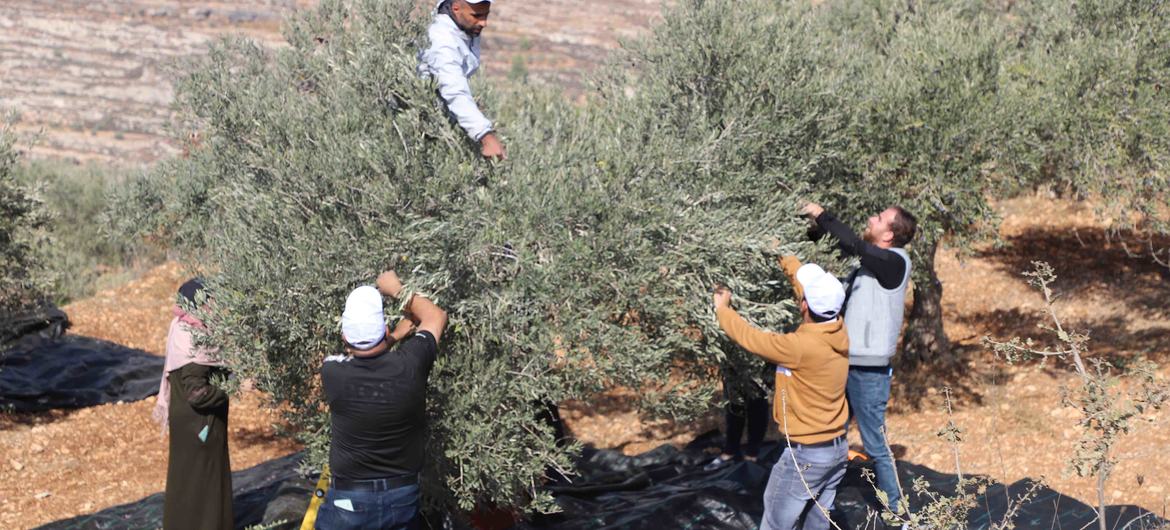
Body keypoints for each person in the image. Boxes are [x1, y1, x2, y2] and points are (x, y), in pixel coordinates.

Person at [714, 256, 850, 530]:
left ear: (803, 306)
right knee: (817, 524)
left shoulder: (798, 347)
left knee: (775, 525)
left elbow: (750, 337)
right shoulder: (839, 327)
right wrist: (783, 256)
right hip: (837, 450)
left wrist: (722, 309)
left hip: (805, 458)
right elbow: (808, 292)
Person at [802, 202, 917, 515]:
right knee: (831, 434)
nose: (871, 218)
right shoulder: (867, 265)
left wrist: (822, 214)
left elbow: (852, 243)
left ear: (889, 235)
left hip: (869, 373)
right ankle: (820, 498)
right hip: (845, 364)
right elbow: (843, 248)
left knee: (875, 445)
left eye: (879, 218)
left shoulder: (894, 263)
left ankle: (897, 512)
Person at [316, 270, 448, 530]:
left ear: (345, 337)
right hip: (401, 498)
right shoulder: (411, 364)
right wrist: (397, 289)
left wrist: (394, 338)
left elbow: (361, 353)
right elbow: (436, 316)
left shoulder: (332, 373)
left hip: (350, 501)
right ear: (384, 329)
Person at [154, 278, 232, 530]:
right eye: (211, 301)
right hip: (201, 427)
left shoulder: (180, 327)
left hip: (187, 424)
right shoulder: (196, 338)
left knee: (187, 486)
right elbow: (197, 393)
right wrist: (231, 387)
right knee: (205, 487)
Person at [417, 0, 506, 161]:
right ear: (455, 8)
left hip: (439, 120)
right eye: (477, 15)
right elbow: (454, 90)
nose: (484, 22)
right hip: (418, 126)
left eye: (486, 15)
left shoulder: (464, 26)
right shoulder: (441, 42)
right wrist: (485, 135)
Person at [704, 365, 770, 470]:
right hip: (733, 364)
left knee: (758, 407)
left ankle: (752, 455)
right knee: (733, 406)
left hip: (756, 364)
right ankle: (730, 451)